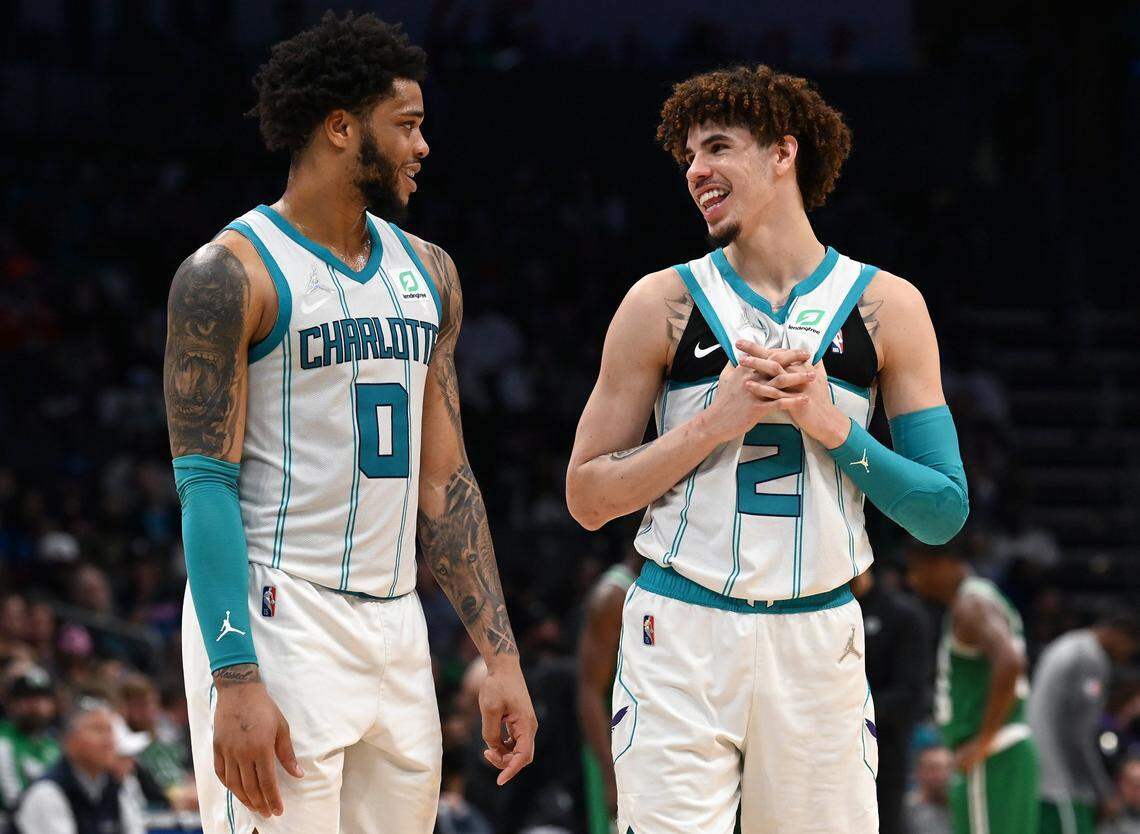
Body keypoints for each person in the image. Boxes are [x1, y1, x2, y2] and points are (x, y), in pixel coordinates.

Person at [566, 64, 969, 833]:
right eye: (687, 156)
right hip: (681, 632)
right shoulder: (661, 303)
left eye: (717, 147)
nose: (696, 171)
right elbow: (587, 497)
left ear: (784, 153)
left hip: (818, 636)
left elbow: (943, 512)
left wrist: (833, 427)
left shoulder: (888, 307)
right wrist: (710, 424)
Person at [162, 12, 537, 834]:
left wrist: (499, 657)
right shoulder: (227, 274)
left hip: (397, 625)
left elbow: (447, 479)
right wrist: (234, 678)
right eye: (406, 126)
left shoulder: (431, 272)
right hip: (278, 612)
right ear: (340, 128)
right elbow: (203, 485)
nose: (422, 147)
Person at [905, 537, 1038, 834]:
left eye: (915, 570)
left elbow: (1010, 661)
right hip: (1001, 754)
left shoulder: (972, 603)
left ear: (939, 564)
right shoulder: (977, 599)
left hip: (993, 756)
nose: (911, 581)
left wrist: (983, 741)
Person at [1031, 611, 1140, 834]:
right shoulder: (1090, 657)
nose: (1127, 656)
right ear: (1119, 636)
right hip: (1063, 787)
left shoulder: (1067, 643)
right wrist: (1103, 792)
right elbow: (1079, 736)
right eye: (1131, 648)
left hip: (1039, 779)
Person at [852, 568, 931, 834]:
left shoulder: (903, 614)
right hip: (828, 746)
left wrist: (851, 713)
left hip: (885, 748)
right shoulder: (820, 613)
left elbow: (910, 692)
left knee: (885, 824)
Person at [576, 549, 641, 833]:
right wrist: (609, 775)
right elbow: (588, 692)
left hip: (652, 737)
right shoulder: (614, 596)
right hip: (613, 742)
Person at [10, 698, 145, 834]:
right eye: (98, 730)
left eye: (110, 731)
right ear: (68, 739)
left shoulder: (115, 790)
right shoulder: (47, 793)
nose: (108, 740)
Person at [0, 666, 61, 821]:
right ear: (11, 704)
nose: (36, 706)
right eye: (27, 699)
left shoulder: (54, 744)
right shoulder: (4, 740)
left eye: (43, 698)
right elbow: (12, 799)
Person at [906, 745, 953, 834]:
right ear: (919, 772)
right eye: (933, 768)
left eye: (946, 768)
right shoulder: (907, 811)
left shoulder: (962, 809)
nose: (941, 775)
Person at [1100, 757, 1140, 834]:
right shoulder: (1107, 818)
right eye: (1131, 783)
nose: (1136, 789)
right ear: (1119, 784)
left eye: (1139, 784)